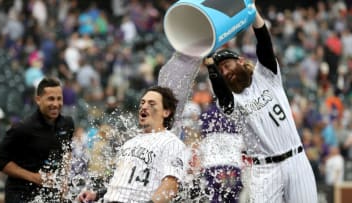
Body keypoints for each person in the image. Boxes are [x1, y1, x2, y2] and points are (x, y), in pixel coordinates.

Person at [158, 1, 318, 202]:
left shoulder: (267, 76)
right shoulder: (233, 103)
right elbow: (222, 93)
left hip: (296, 160)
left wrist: (253, 15)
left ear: (241, 61)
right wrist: (210, 64)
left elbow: (265, 44)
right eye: (222, 71)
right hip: (264, 170)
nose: (226, 72)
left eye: (227, 65)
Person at [77, 86, 189, 203]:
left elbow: (170, 187)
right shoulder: (130, 142)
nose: (144, 106)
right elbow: (124, 182)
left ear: (166, 112)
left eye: (151, 104)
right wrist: (96, 194)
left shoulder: (172, 143)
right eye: (142, 102)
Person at [0, 77, 75, 203]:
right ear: (38, 99)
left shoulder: (67, 124)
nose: (56, 104)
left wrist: (64, 180)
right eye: (51, 99)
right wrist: (34, 177)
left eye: (59, 99)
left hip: (49, 195)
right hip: (21, 196)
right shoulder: (23, 128)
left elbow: (67, 151)